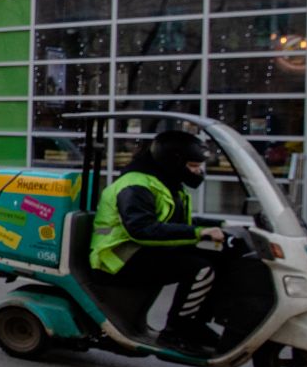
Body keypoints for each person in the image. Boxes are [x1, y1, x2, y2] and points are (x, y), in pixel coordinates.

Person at [89, 129, 228, 350]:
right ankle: (176, 330)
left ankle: (196, 324)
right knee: (200, 269)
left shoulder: (165, 182)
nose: (199, 171)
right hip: (119, 258)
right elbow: (141, 229)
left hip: (142, 251)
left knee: (221, 259)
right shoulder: (136, 186)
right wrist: (199, 233)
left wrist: (219, 226)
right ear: (174, 161)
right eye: (193, 166)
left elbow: (174, 221)